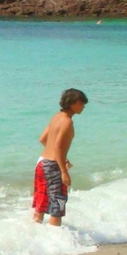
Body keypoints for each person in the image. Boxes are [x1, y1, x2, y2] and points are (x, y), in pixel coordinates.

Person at [33, 88, 88, 227]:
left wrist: (61, 157)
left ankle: (36, 236)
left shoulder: (56, 117)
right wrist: (64, 171)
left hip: (41, 163)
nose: (84, 106)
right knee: (58, 204)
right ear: (72, 103)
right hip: (52, 166)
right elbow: (57, 147)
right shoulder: (67, 122)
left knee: (41, 201)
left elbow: (42, 139)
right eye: (81, 103)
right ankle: (56, 241)